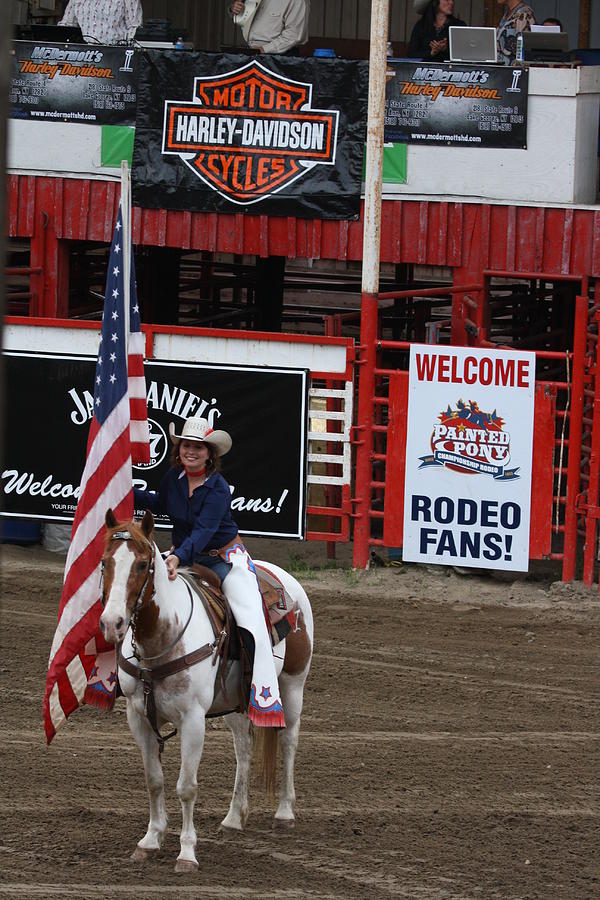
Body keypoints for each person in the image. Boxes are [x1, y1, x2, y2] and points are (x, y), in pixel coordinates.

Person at [133, 415, 285, 728]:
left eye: (198, 447)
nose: (191, 451)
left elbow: (204, 530)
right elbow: (160, 502)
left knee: (251, 617)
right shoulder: (173, 479)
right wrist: (124, 488)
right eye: (187, 445)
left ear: (209, 454)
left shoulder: (218, 489)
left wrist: (177, 558)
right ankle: (118, 673)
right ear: (179, 449)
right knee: (131, 589)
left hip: (222, 559)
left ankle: (260, 690)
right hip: (183, 555)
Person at [229, 0, 309, 55]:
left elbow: (293, 36)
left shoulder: (298, 1)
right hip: (253, 52)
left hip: (280, 58)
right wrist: (234, 9)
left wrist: (263, 50)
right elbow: (242, 17)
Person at [59, 0, 142, 44]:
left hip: (114, 53)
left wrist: (126, 50)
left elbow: (134, 26)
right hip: (83, 54)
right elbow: (67, 25)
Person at [496, 0, 536, 65]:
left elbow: (523, 45)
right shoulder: (509, 12)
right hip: (502, 66)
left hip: (513, 69)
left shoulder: (523, 13)